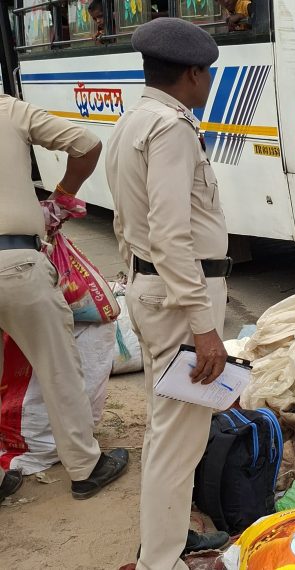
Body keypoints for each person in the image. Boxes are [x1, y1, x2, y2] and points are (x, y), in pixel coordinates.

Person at [106, 18, 232, 569]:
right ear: (192, 74)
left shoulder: (133, 119)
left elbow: (128, 222)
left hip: (155, 289)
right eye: (209, 75)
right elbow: (171, 233)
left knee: (166, 433)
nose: (210, 86)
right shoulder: (172, 127)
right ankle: (162, 560)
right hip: (183, 297)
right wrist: (204, 328)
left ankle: (166, 543)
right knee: (180, 442)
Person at [0, 94, 129, 500]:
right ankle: (85, 467)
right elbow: (86, 143)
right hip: (14, 263)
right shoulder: (8, 109)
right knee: (59, 368)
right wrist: (59, 198)